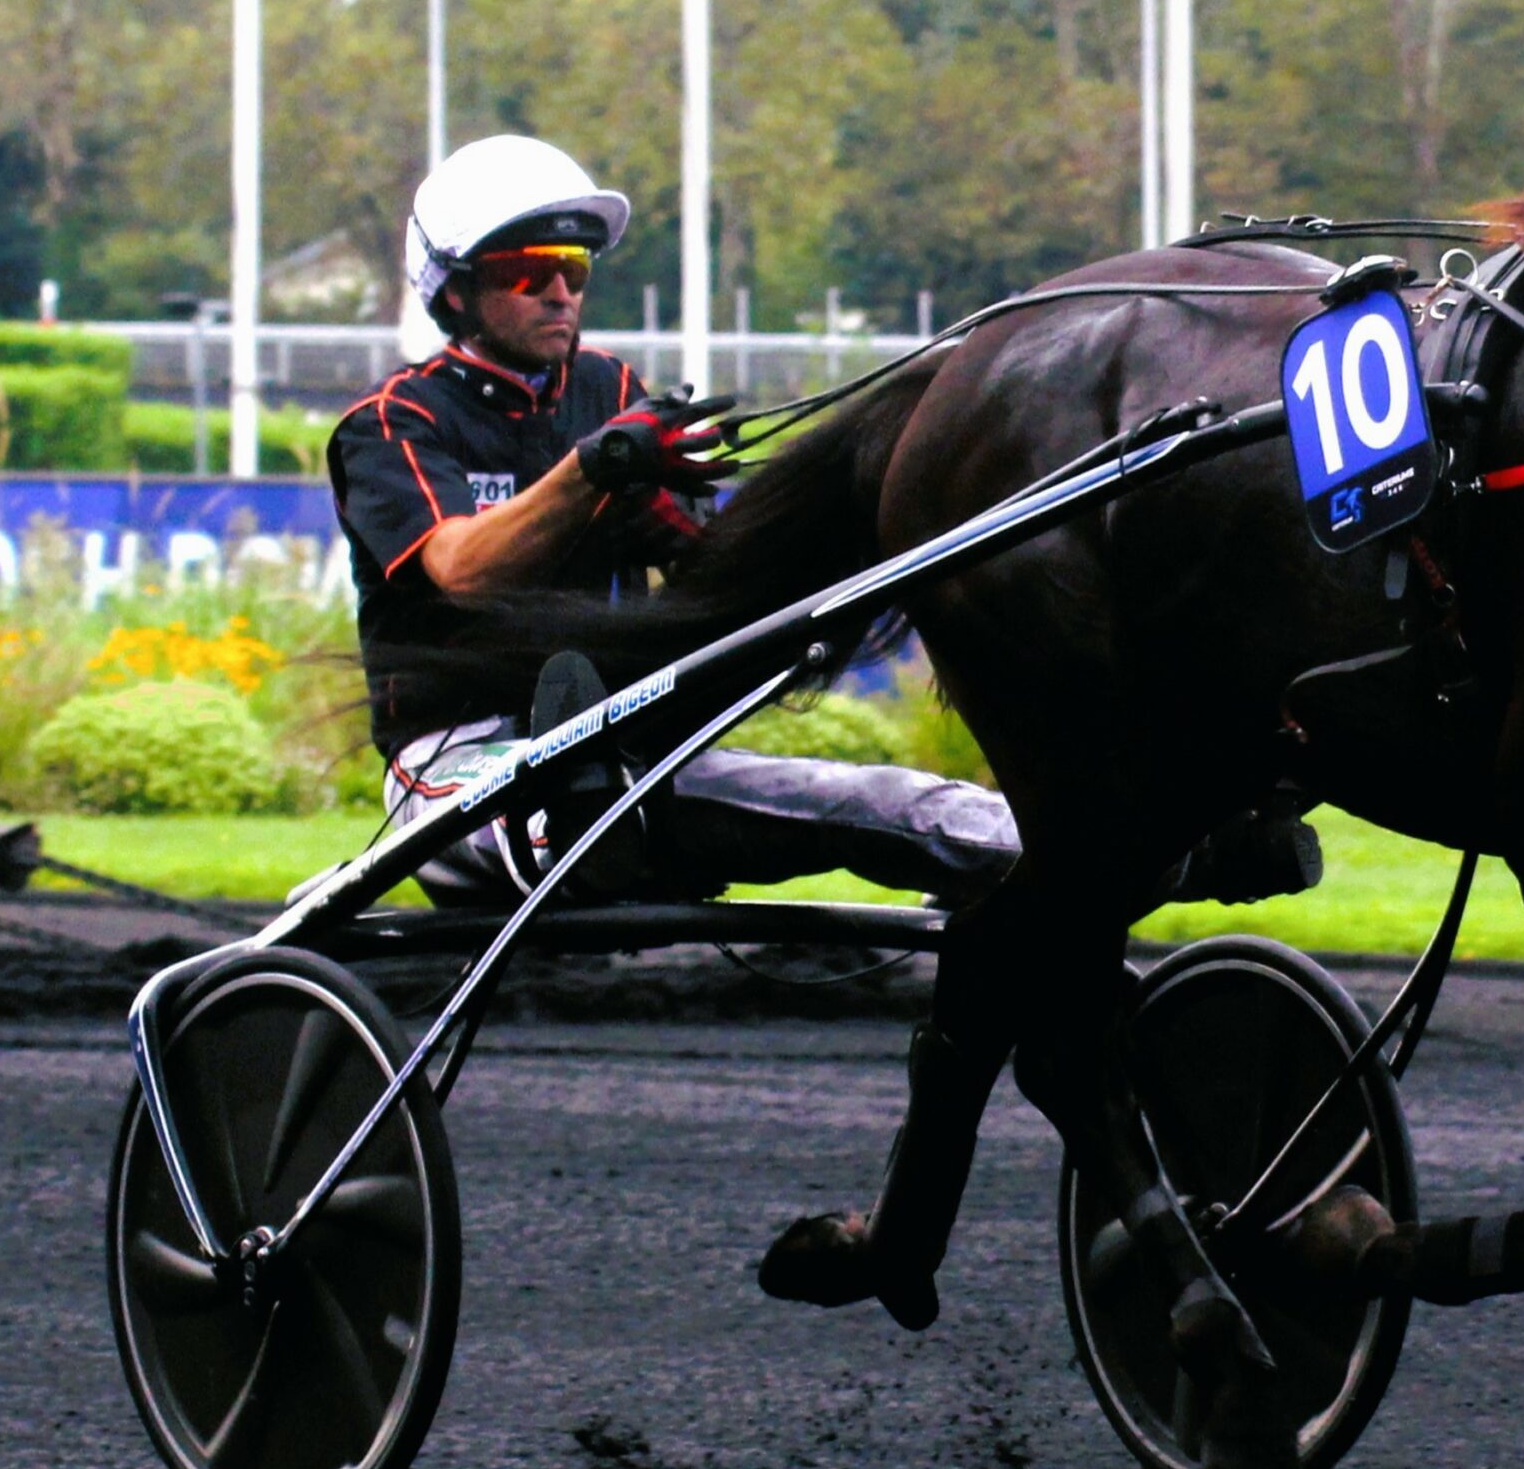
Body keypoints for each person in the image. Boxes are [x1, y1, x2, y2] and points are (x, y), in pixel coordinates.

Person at [326, 135, 1025, 908]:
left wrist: (690, 535)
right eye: (529, 272)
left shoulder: (611, 388)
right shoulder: (392, 421)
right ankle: (587, 827)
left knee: (882, 806)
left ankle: (1034, 845)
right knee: (560, 809)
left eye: (575, 268)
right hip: (457, 756)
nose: (560, 292)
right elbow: (460, 569)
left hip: (618, 737)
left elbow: (708, 581)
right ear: (455, 291)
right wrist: (592, 471)